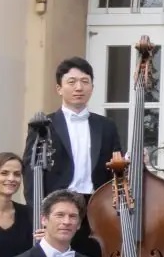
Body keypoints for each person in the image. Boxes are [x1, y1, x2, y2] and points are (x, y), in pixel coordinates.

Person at [40, 56, 122, 205]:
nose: (79, 88)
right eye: (71, 82)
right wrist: (37, 213)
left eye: (85, 81)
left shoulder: (106, 126)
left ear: (92, 87)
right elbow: (31, 175)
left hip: (97, 204)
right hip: (57, 203)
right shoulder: (43, 126)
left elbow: (117, 167)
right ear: (59, 88)